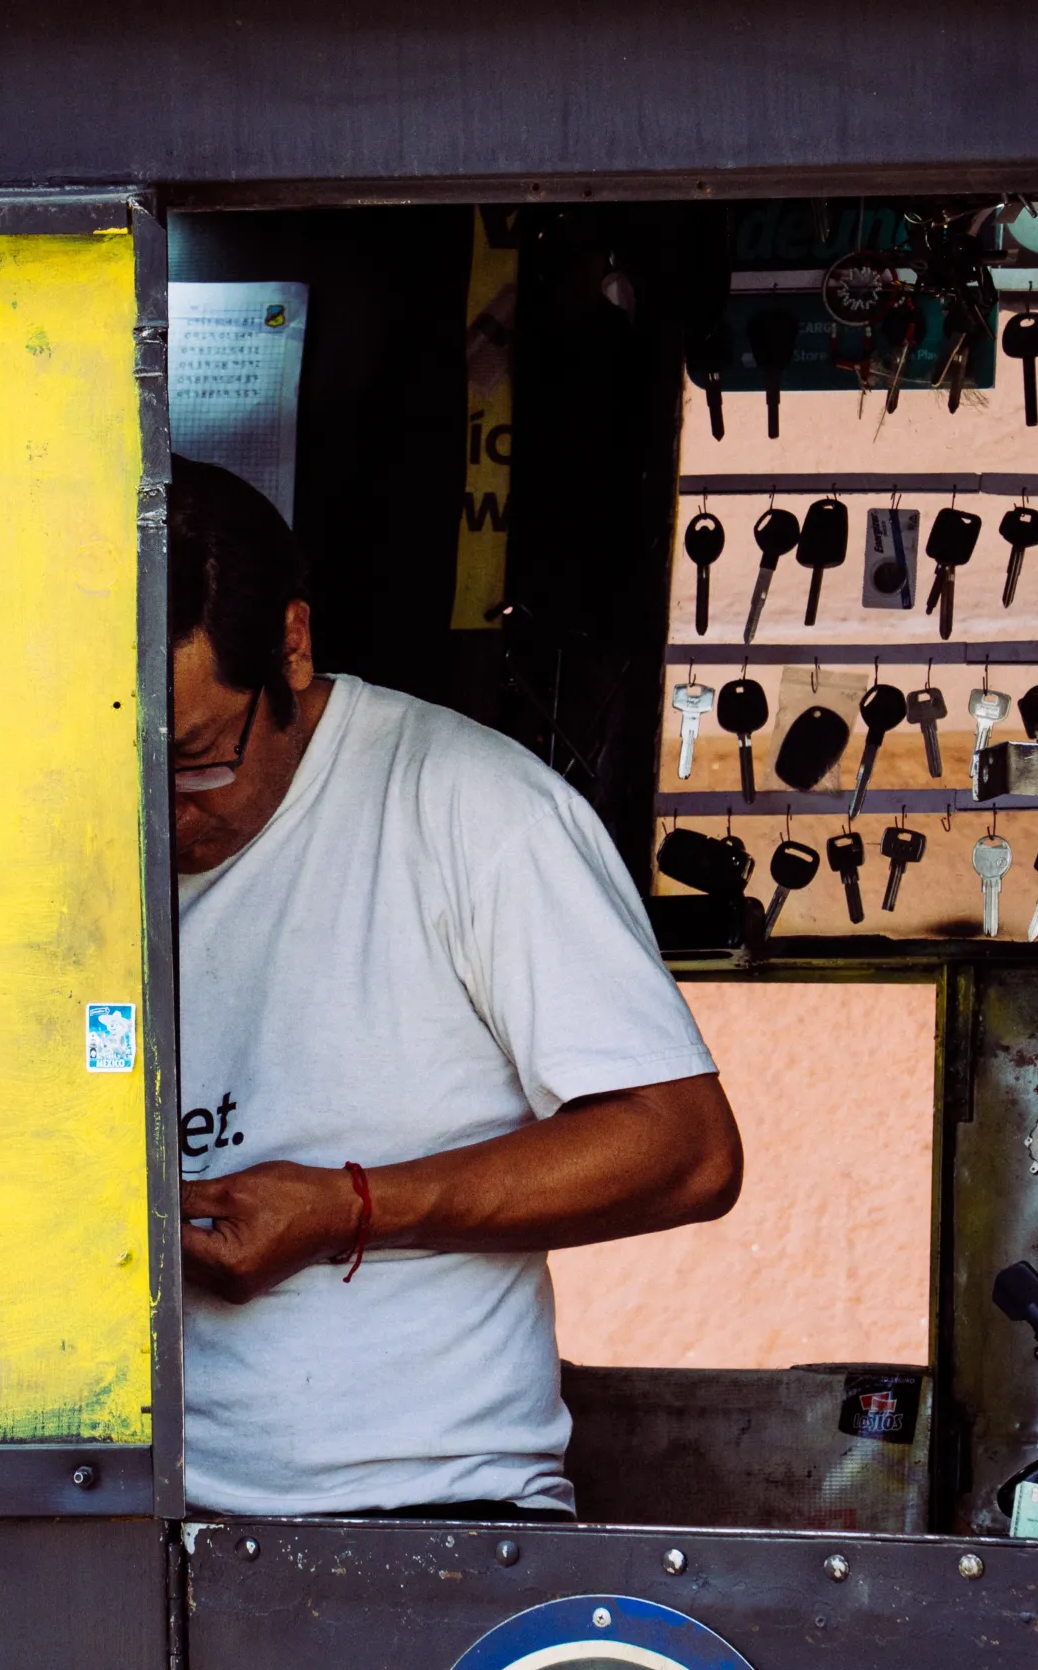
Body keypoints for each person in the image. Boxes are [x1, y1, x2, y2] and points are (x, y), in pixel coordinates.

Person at [170, 455, 744, 1520]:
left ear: (290, 647)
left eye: (199, 759)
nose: (164, 810)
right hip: (129, 1518)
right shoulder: (74, 839)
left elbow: (685, 1148)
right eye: (129, 763)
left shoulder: (473, 811)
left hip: (424, 1509)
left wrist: (352, 1209)